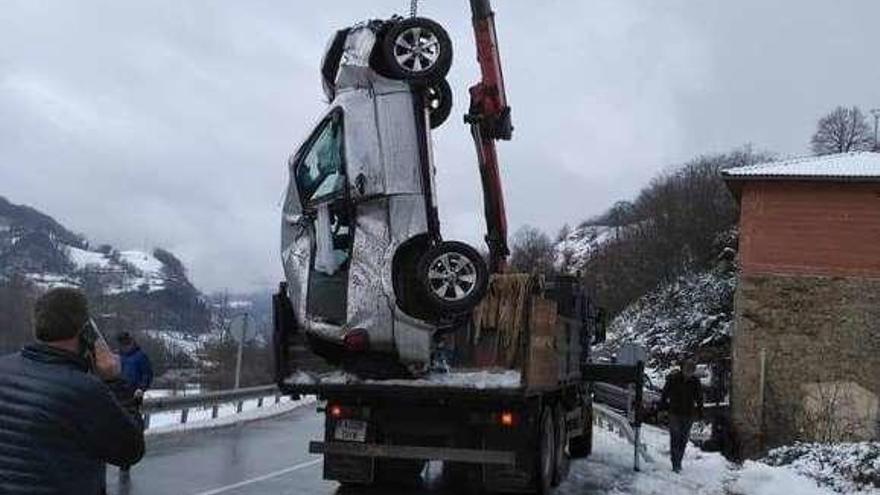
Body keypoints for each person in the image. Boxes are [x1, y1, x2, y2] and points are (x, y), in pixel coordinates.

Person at [0, 288, 145, 494]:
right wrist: (113, 381)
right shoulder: (84, 390)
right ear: (86, 331)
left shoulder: (3, 368)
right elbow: (131, 450)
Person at [660, 357, 704, 473]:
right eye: (687, 370)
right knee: (675, 437)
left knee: (683, 439)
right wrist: (662, 409)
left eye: (691, 370)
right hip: (674, 413)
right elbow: (664, 395)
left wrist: (700, 414)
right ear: (683, 368)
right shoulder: (673, 379)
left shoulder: (695, 382)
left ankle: (679, 459)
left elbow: (699, 398)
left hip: (688, 414)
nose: (689, 373)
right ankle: (675, 463)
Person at [117, 331, 153, 400]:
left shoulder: (141, 356)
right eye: (122, 344)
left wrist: (141, 388)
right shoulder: (119, 356)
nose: (125, 347)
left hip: (135, 392)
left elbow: (147, 374)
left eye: (127, 344)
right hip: (120, 391)